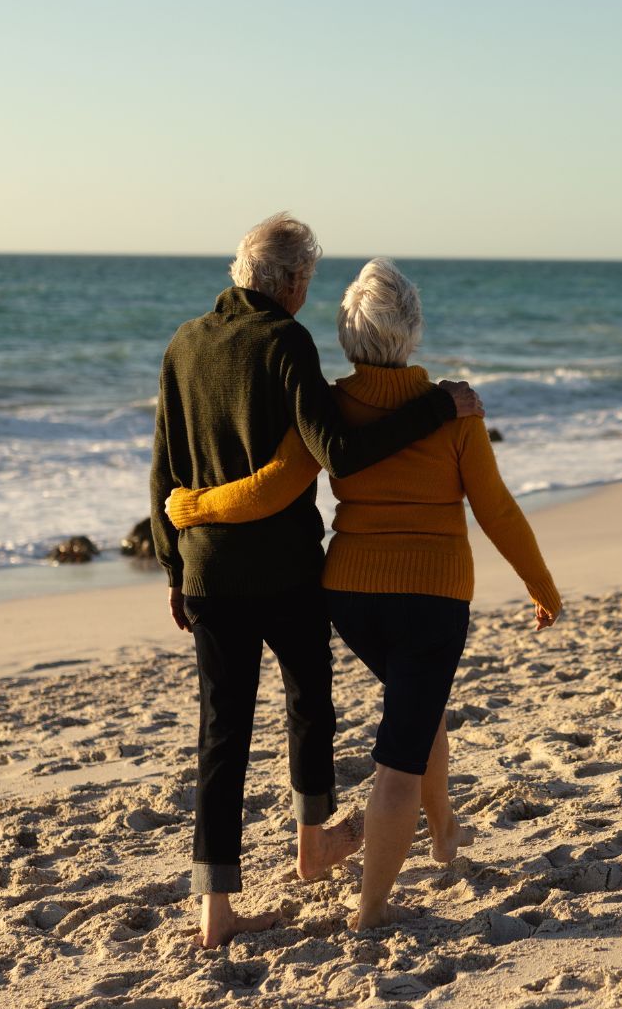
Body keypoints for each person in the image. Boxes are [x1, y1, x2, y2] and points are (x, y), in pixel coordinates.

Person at [166, 257, 561, 929]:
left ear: (348, 334)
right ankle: (370, 908)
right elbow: (496, 509)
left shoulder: (329, 406)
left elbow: (273, 485)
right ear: (411, 331)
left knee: (419, 704)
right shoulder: (455, 410)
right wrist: (541, 585)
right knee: (399, 758)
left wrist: (190, 507)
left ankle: (444, 834)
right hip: (433, 599)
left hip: (349, 597)